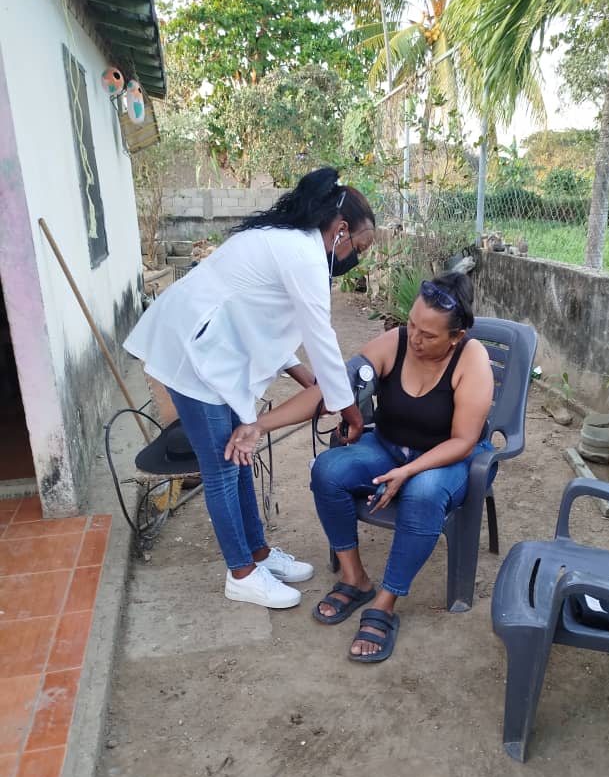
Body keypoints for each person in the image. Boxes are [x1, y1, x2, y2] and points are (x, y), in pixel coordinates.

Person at [124, 167, 376, 609]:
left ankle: (258, 554)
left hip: (214, 351)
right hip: (194, 354)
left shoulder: (287, 243)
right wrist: (350, 412)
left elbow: (261, 319)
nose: (358, 257)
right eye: (359, 246)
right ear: (340, 230)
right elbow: (322, 338)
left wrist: (300, 374)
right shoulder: (303, 256)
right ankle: (241, 572)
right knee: (223, 466)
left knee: (240, 455)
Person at [228, 271, 494, 662]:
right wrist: (259, 425)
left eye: (429, 335)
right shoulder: (395, 343)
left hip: (448, 457)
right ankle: (355, 578)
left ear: (456, 336)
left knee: (422, 493)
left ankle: (385, 602)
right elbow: (331, 390)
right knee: (328, 471)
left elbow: (464, 440)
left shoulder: (472, 359)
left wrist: (409, 471)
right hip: (388, 446)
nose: (415, 339)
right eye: (412, 325)